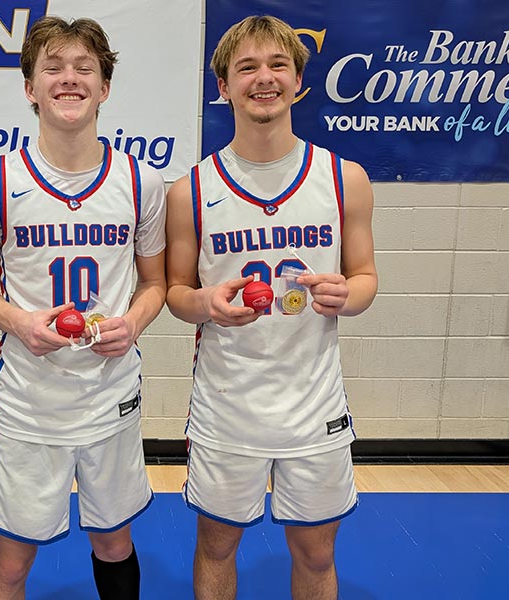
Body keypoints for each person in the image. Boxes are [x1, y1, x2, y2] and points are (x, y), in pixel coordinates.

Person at [165, 15, 378, 600]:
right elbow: (176, 293)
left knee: (317, 552)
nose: (264, 78)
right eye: (247, 68)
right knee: (216, 546)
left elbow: (366, 278)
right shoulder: (191, 190)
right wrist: (205, 302)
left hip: (314, 406)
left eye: (278, 64)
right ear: (223, 86)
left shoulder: (345, 179)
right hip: (227, 406)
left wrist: (348, 295)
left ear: (298, 80)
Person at [0, 16, 167, 600]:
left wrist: (132, 323)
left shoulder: (141, 182)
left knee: (114, 541)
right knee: (12, 558)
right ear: (30, 88)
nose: (69, 78)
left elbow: (155, 283)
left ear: (105, 87)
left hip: (110, 391)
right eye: (53, 68)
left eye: (84, 68)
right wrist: (19, 321)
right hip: (31, 399)